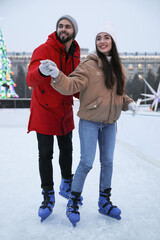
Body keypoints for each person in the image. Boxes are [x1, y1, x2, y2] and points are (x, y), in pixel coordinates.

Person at [42, 23, 138, 226]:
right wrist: (56, 75)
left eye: (106, 37)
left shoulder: (119, 67)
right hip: (90, 122)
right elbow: (71, 84)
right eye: (98, 38)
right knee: (86, 163)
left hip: (110, 124)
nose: (102, 41)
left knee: (108, 163)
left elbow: (118, 94)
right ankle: (73, 201)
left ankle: (104, 201)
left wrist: (129, 103)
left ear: (112, 41)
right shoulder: (88, 64)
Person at [26, 15, 82, 222]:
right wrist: (40, 71)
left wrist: (91, 95)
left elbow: (75, 85)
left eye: (67, 27)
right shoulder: (43, 50)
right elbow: (30, 78)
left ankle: (66, 184)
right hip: (44, 110)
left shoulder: (76, 54)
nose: (63, 29)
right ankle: (47, 194)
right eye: (60, 26)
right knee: (45, 154)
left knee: (67, 149)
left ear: (73, 31)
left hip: (64, 110)